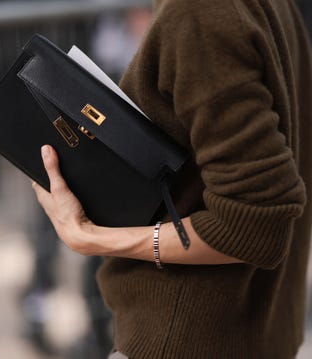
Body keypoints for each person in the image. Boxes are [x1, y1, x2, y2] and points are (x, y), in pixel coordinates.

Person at [31, 0, 312, 358]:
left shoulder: (199, 11)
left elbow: (255, 224)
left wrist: (92, 237)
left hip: (187, 337)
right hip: (252, 332)